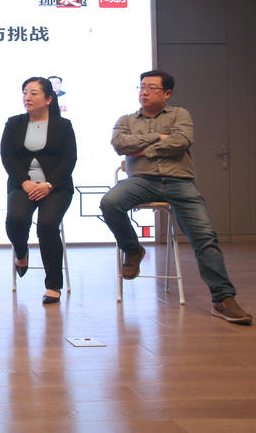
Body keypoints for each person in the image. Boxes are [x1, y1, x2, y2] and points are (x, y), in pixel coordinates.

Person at [100, 70, 252, 324]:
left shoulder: (180, 114)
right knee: (110, 203)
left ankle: (222, 299)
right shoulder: (126, 119)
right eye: (141, 87)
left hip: (179, 181)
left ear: (167, 93)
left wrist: (144, 150)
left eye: (151, 88)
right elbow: (120, 144)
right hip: (141, 181)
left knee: (205, 236)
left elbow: (181, 141)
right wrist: (158, 138)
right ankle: (133, 250)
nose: (144, 92)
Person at [1, 77, 76, 304]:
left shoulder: (63, 126)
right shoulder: (14, 123)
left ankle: (53, 285)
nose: (27, 98)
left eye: (33, 93)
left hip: (56, 187)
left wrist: (49, 185)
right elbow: (7, 157)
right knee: (16, 219)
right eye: (25, 93)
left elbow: (69, 160)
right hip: (23, 184)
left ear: (49, 99)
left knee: (47, 225)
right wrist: (24, 182)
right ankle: (21, 252)